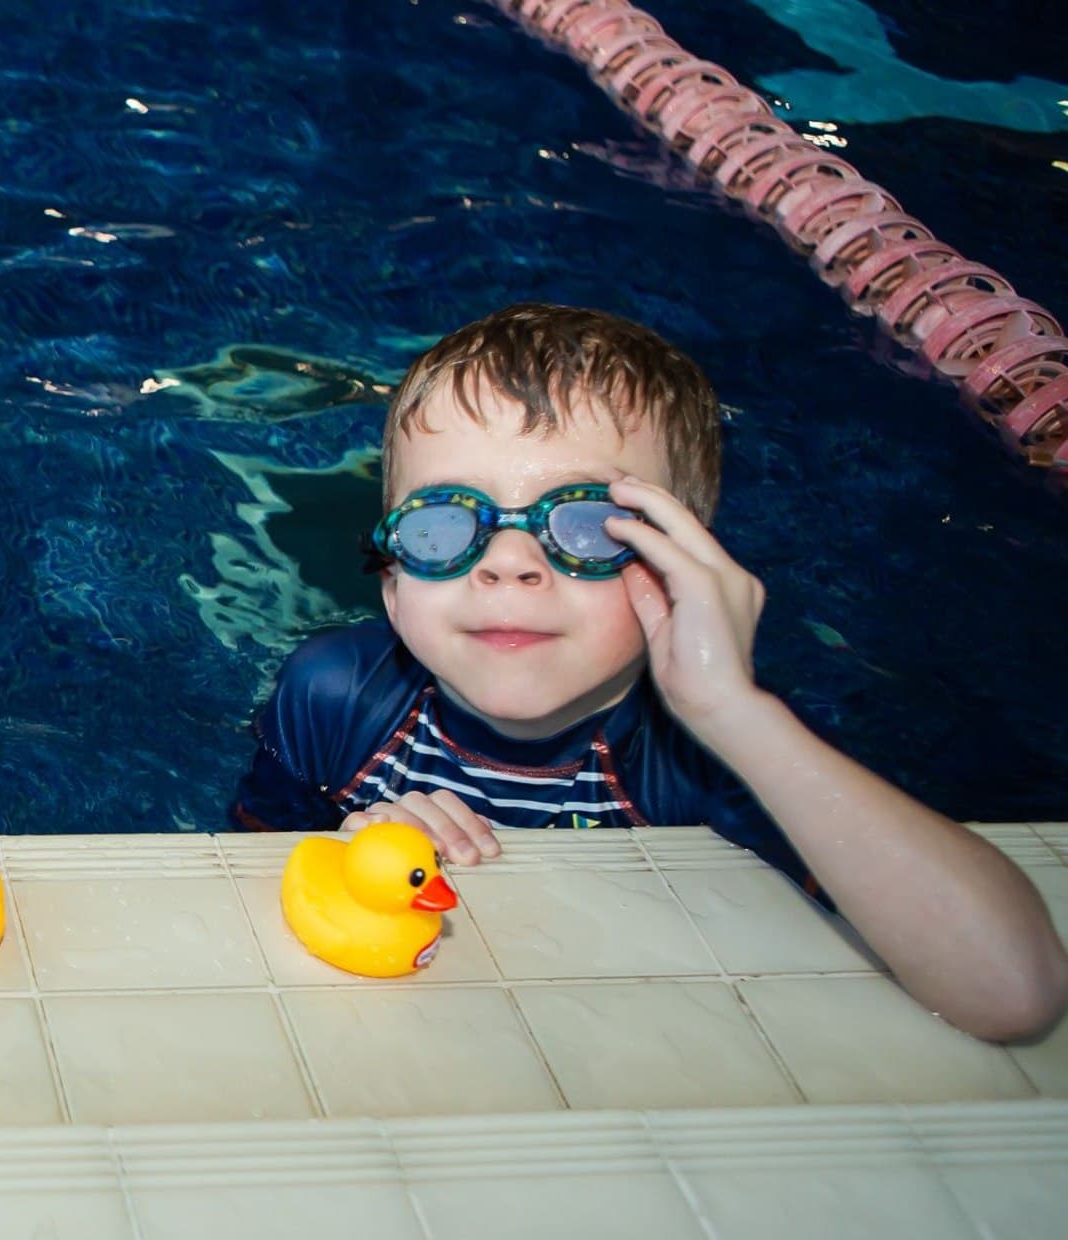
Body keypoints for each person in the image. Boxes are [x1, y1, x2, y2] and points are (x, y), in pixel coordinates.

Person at [231, 303, 1067, 1041]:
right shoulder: (332, 695)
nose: (510, 564)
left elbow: (1012, 995)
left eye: (586, 525)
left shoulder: (705, 757)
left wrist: (733, 709)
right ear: (388, 568)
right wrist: (338, 853)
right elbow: (232, 882)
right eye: (446, 522)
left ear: (682, 565)